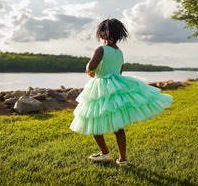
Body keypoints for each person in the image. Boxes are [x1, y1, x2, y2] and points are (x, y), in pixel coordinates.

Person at [70, 18, 173, 166]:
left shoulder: (100, 49)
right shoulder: (119, 52)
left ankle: (105, 153)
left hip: (100, 87)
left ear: (103, 35)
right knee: (118, 126)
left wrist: (89, 70)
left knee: (93, 119)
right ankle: (122, 159)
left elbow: (91, 67)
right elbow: (118, 72)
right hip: (116, 86)